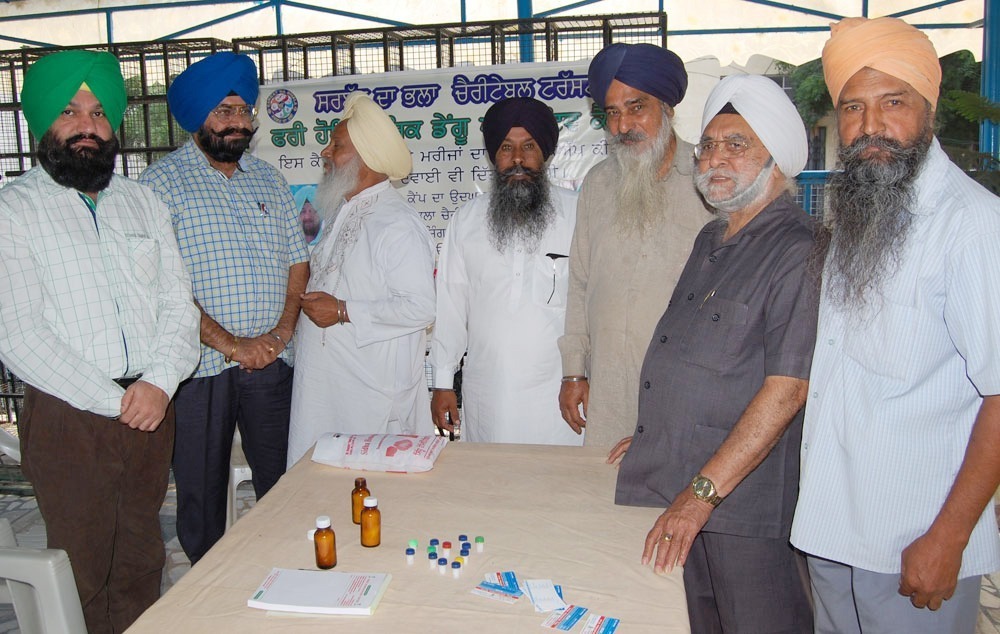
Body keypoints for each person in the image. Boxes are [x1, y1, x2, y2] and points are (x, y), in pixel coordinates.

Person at [790, 17, 1000, 634]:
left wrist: (949, 536)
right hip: (833, 528)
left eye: (893, 103)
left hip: (914, 542)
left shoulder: (971, 225)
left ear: (928, 108)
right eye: (852, 107)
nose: (871, 126)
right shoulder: (862, 210)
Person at [0, 50, 200, 632]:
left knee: (141, 556)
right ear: (44, 123)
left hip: (151, 407)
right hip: (70, 415)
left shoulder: (144, 202)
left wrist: (158, 384)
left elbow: (177, 305)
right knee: (80, 567)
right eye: (69, 112)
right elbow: (17, 331)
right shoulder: (14, 210)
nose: (86, 125)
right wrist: (117, 400)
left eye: (99, 113)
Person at [612, 74, 817, 633]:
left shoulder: (799, 250)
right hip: (684, 484)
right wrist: (659, 430)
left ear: (777, 159)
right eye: (707, 146)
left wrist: (701, 496)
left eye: (737, 144)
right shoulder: (711, 239)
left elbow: (788, 390)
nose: (715, 159)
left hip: (742, 509)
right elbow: (696, 354)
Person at [139, 51, 310, 565]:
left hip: (271, 364)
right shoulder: (158, 186)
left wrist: (278, 336)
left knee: (285, 483)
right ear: (197, 118)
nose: (237, 122)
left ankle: (286, 569)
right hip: (199, 369)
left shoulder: (268, 180)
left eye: (243, 111)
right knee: (201, 493)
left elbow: (297, 263)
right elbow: (160, 287)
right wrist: (233, 345)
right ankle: (206, 587)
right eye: (223, 111)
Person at [559, 43, 712, 447]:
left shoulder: (708, 181)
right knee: (602, 483)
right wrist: (574, 371)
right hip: (608, 388)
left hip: (685, 390)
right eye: (612, 112)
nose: (623, 125)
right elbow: (580, 283)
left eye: (636, 107)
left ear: (667, 108)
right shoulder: (598, 183)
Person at [286, 92, 436, 465]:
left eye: (336, 146)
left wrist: (342, 310)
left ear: (365, 156)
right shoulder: (344, 211)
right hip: (324, 389)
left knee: (369, 486)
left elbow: (421, 307)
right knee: (319, 482)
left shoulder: (397, 223)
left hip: (369, 395)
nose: (325, 153)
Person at [429, 97, 581, 445]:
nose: (517, 159)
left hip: (561, 394)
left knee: (561, 475)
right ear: (493, 156)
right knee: (491, 476)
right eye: (506, 148)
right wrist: (442, 383)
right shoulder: (466, 220)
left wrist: (582, 376)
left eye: (529, 146)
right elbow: (451, 307)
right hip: (489, 394)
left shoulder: (579, 214)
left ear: (545, 153)